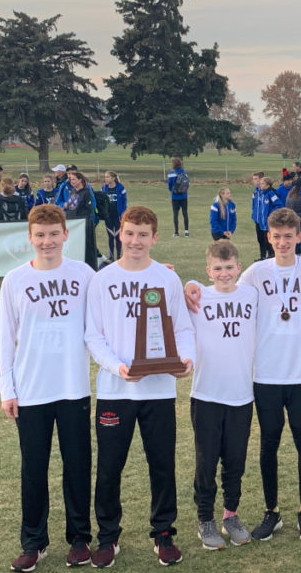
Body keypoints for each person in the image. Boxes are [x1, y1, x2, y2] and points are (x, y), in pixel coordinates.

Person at [185, 208, 301, 546]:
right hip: (264, 378)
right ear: (268, 237)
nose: (282, 242)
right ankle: (270, 511)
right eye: (276, 236)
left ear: (299, 236)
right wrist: (191, 284)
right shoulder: (256, 273)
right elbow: (217, 283)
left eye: (288, 236)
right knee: (268, 445)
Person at [84, 206, 195, 567]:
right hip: (116, 390)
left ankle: (164, 534)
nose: (135, 241)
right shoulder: (102, 279)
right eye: (130, 233)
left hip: (159, 390)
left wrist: (185, 360)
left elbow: (182, 329)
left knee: (162, 464)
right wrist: (117, 367)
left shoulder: (166, 278)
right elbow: (93, 336)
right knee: (109, 467)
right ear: (120, 233)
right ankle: (108, 537)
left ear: (154, 237)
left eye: (143, 234)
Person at [0, 205, 95, 572]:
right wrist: (8, 387)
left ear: (66, 235)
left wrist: (160, 275)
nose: (47, 241)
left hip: (72, 388)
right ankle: (33, 542)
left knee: (77, 465)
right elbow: (4, 338)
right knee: (34, 468)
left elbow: (116, 299)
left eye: (54, 234)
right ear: (30, 237)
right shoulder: (15, 280)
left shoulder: (84, 274)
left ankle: (80, 537)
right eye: (40, 235)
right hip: (31, 390)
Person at [188, 240, 258, 550]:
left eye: (229, 267)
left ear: (239, 268)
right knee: (206, 462)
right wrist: (189, 283)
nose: (224, 273)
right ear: (208, 270)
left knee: (235, 461)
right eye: (218, 268)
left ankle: (231, 514)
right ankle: (205, 519)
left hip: (241, 393)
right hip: (206, 393)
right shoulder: (198, 297)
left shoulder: (251, 295)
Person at [60, 171, 97, 270]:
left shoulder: (86, 193)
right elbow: (70, 206)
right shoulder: (73, 192)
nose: (71, 181)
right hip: (72, 223)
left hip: (83, 225)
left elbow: (89, 209)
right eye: (70, 179)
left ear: (80, 180)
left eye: (73, 179)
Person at [252, 173, 283, 261]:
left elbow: (279, 205)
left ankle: (271, 257)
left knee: (269, 241)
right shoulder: (260, 193)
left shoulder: (271, 194)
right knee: (261, 240)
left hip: (267, 223)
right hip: (260, 222)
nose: (260, 185)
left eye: (262, 184)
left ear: (268, 185)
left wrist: (271, 215)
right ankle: (263, 257)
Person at [102, 171, 127, 261]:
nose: (106, 179)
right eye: (105, 177)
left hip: (118, 216)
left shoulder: (120, 188)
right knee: (110, 236)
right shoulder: (104, 188)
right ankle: (111, 256)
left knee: (118, 236)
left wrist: (123, 214)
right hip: (108, 216)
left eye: (108, 177)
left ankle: (119, 256)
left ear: (113, 178)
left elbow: (124, 202)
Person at [168, 157, 189, 237]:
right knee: (185, 213)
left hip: (175, 197)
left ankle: (176, 232)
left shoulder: (171, 173)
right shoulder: (184, 172)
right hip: (184, 196)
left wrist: (172, 190)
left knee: (175, 214)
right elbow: (187, 183)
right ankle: (186, 231)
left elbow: (169, 185)